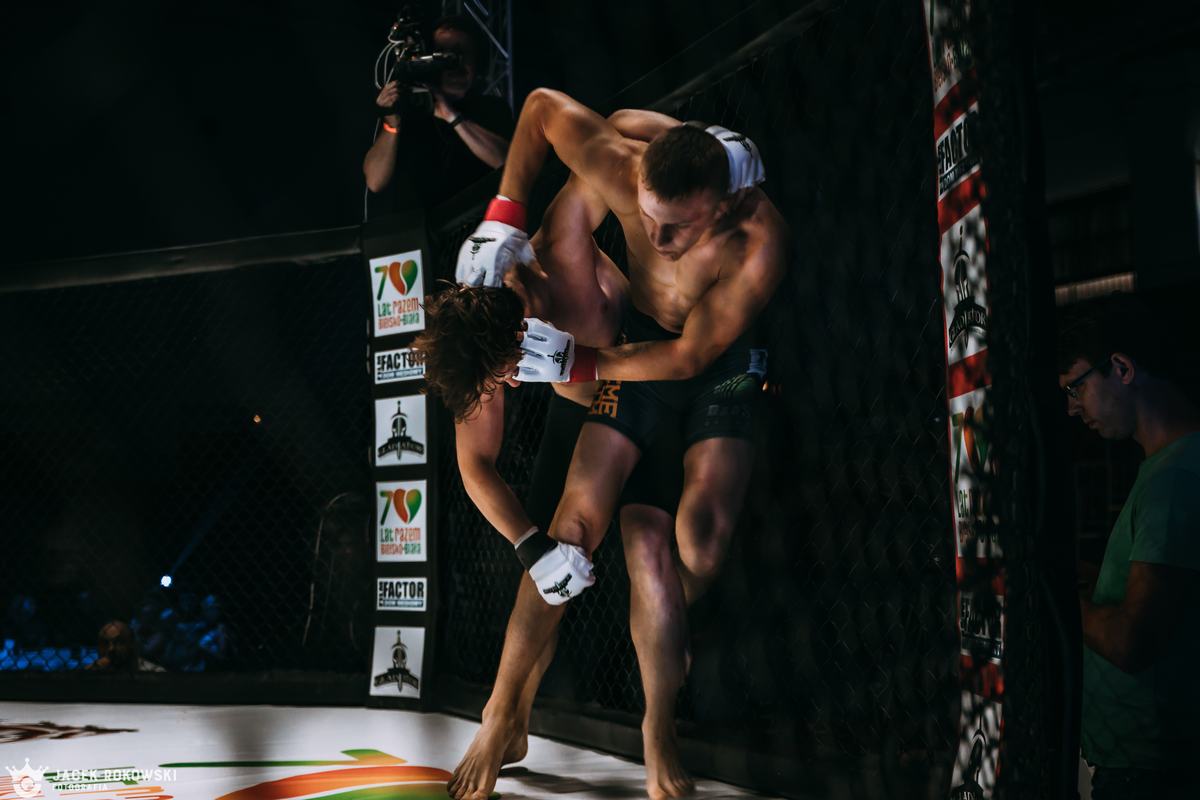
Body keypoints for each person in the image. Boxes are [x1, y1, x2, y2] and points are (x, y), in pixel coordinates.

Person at [448, 92, 786, 800]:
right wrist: (502, 212)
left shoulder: (756, 242)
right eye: (648, 218)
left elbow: (691, 357)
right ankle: (503, 715)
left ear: (723, 203)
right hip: (629, 364)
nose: (656, 240)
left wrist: (574, 363)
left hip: (711, 361)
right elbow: (544, 108)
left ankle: (661, 695)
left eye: (677, 226)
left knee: (693, 547)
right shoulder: (620, 172)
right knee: (573, 536)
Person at [1058, 293, 1200, 798]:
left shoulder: (1174, 479)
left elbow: (1131, 641)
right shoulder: (1166, 467)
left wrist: (1055, 601)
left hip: (1147, 776)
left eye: (1076, 388)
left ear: (1120, 368)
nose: (1072, 409)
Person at [363, 16, 512, 213]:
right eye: (442, 54)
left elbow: (508, 165)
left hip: (476, 224)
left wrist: (452, 117)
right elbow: (374, 182)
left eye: (460, 54)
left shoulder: (492, 108)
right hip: (420, 226)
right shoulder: (412, 108)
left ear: (477, 61)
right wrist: (391, 123)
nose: (452, 63)